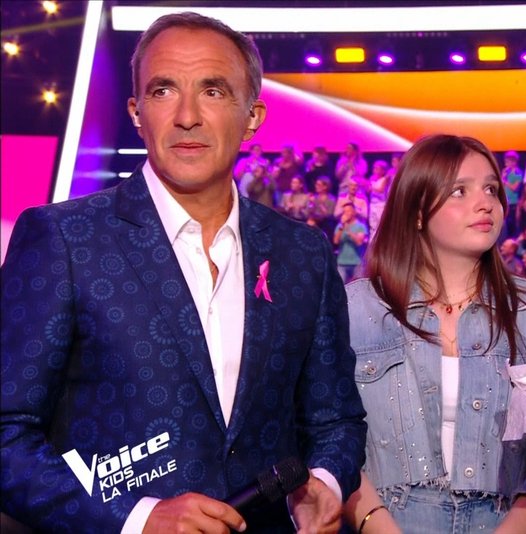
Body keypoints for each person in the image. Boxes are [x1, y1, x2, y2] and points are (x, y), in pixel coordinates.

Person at [0, 12, 366, 533]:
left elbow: (336, 420)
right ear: (137, 112)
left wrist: (323, 485)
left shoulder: (302, 253)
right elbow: (7, 434)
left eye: (213, 91)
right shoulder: (63, 239)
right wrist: (137, 520)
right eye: (164, 90)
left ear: (253, 116)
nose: (187, 116)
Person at [342, 134, 526, 533]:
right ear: (417, 211)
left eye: (491, 189)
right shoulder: (356, 310)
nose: (485, 203)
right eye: (460, 191)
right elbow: (326, 439)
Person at [333, 202, 368, 284]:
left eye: (348, 211)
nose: (345, 213)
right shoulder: (340, 226)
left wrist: (348, 230)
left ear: (354, 212)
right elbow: (335, 241)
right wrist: (342, 227)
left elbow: (359, 242)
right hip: (342, 263)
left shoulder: (360, 226)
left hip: (357, 263)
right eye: (344, 211)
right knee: (341, 287)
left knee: (358, 287)